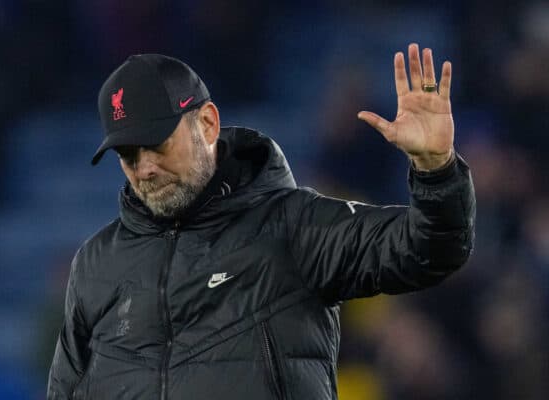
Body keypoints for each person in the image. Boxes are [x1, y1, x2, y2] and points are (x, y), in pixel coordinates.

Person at [47, 43, 475, 399]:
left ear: (208, 123)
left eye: (156, 145)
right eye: (128, 155)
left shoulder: (294, 227)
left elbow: (429, 249)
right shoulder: (96, 263)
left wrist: (436, 171)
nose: (143, 168)